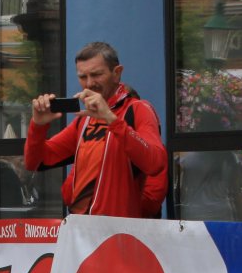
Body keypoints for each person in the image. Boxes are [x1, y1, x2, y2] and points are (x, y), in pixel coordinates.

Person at [25, 41, 167, 219]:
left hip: (118, 227)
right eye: (82, 77)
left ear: (117, 73)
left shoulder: (138, 109)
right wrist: (38, 126)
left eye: (96, 75)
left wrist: (112, 120)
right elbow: (35, 162)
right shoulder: (85, 119)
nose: (89, 83)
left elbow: (156, 164)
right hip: (81, 226)